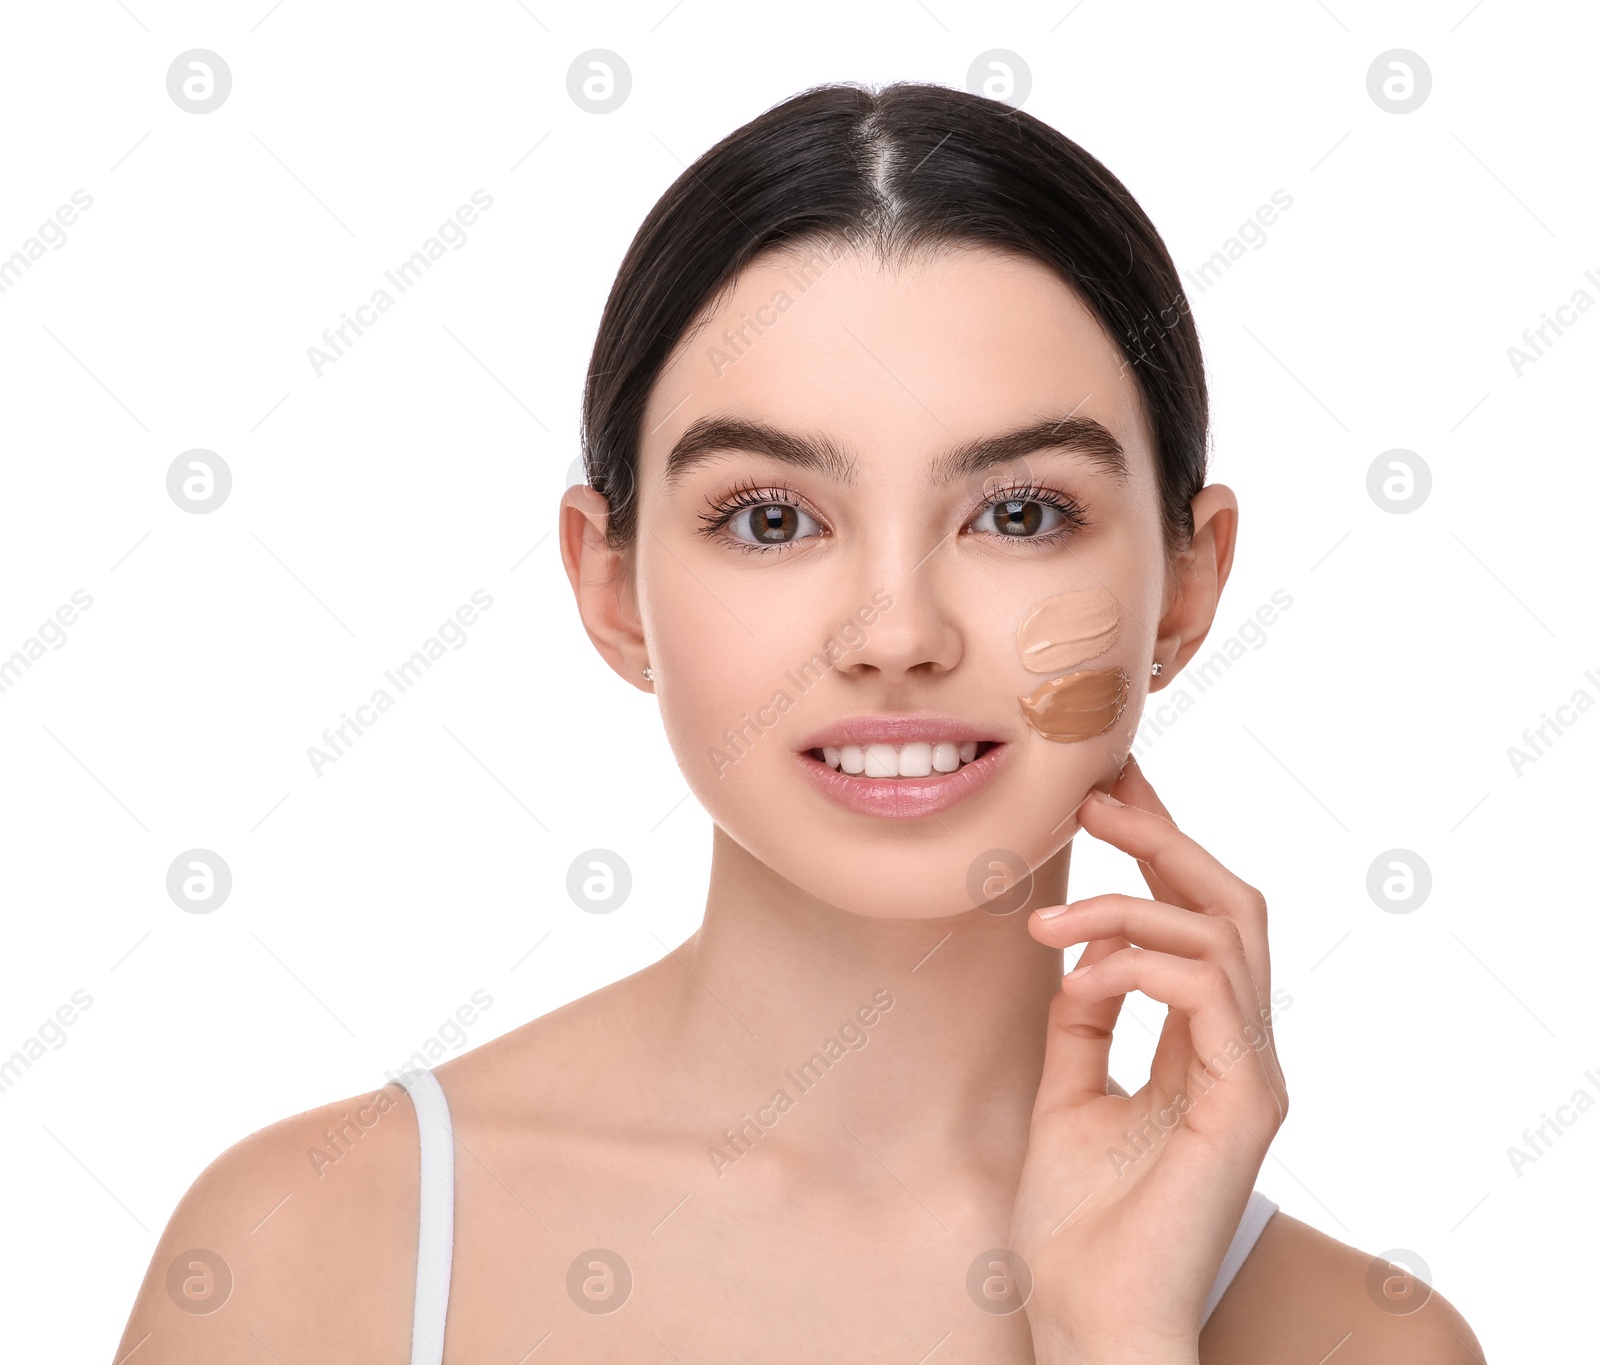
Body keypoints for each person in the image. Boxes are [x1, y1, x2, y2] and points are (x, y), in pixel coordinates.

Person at [114, 81, 1483, 1363]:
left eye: (1018, 512)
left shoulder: (1364, 1339)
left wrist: (1115, 1339)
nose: (896, 631)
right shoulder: (309, 1254)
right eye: (773, 519)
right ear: (612, 583)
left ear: (1187, 583)